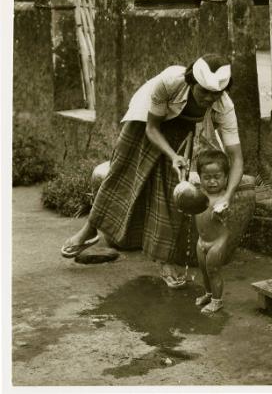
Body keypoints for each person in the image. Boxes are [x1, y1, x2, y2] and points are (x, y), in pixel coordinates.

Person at [60, 53, 243, 288]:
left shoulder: (224, 106)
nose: (209, 98)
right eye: (204, 91)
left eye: (215, 93)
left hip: (182, 127)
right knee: (121, 174)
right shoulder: (169, 82)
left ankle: (164, 259)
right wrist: (173, 155)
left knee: (171, 190)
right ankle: (89, 230)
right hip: (146, 120)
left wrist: (227, 195)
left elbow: (236, 158)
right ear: (192, 82)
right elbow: (153, 128)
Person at [194, 148, 233, 313]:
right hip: (201, 240)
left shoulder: (223, 199)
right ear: (200, 178)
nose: (212, 182)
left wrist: (223, 212)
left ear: (225, 178)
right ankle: (209, 294)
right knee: (204, 270)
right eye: (207, 178)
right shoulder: (200, 194)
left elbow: (229, 216)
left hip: (218, 242)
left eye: (217, 177)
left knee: (214, 271)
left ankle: (217, 301)